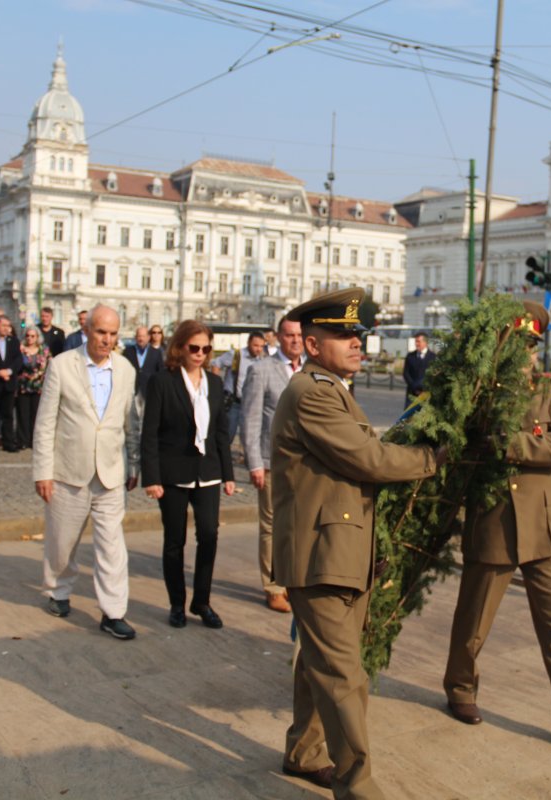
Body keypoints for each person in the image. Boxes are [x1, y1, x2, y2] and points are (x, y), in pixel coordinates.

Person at [271, 288, 441, 796]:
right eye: (343, 335)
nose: (356, 342)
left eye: (358, 334)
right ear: (312, 343)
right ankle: (358, 786)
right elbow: (369, 460)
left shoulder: (332, 387)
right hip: (320, 557)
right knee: (345, 677)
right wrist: (435, 458)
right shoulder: (314, 392)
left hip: (337, 552)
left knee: (320, 664)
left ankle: (304, 752)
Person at [442, 301, 551, 746]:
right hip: (494, 520)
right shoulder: (479, 392)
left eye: (533, 345)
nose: (527, 353)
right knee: (473, 619)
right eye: (519, 344)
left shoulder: (548, 390)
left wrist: (513, 444)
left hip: (545, 526)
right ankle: (460, 688)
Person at [33, 304, 140, 640]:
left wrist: (133, 464)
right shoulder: (63, 365)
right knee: (62, 542)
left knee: (112, 546)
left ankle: (113, 612)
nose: (106, 340)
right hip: (69, 471)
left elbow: (129, 422)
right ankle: (59, 590)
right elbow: (46, 421)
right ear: (87, 331)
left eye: (112, 334)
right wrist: (42, 472)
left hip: (111, 473)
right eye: (100, 333)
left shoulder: (125, 369)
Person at [140, 320, 235, 629]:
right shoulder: (162, 382)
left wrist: (228, 473)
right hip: (173, 473)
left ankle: (202, 601)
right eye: (194, 348)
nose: (199, 354)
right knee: (174, 540)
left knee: (209, 534)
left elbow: (221, 432)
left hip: (208, 472)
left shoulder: (215, 383)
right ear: (179, 347)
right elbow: (149, 433)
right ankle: (177, 603)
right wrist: (151, 477)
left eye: (206, 349)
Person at [240, 318, 305, 613]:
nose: (295, 340)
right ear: (277, 337)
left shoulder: (311, 370)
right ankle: (274, 586)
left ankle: (294, 580)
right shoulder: (261, 370)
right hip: (271, 461)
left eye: (300, 335)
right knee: (272, 526)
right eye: (289, 335)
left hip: (306, 465)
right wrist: (254, 462)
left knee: (299, 525)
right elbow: (251, 419)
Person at [0, 315, 22, 451]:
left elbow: (18, 359)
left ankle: (8, 442)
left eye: (8, 326)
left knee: (8, 414)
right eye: (4, 325)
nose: (6, 328)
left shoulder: (13, 340)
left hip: (9, 382)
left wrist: (9, 371)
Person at [16, 327, 50, 451]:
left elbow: (48, 366)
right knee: (23, 414)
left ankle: (34, 440)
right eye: (28, 336)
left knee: (36, 415)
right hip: (24, 386)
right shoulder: (21, 350)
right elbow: (17, 366)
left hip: (39, 387)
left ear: (37, 337)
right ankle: (22, 440)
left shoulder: (44, 350)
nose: (30, 338)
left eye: (33, 336)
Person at [123, 325, 163, 397]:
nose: (141, 339)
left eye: (143, 336)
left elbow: (160, 372)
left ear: (148, 337)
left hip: (149, 390)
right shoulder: (128, 352)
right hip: (132, 390)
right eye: (139, 336)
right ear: (135, 337)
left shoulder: (156, 353)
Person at [402, 331, 436, 407]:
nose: (416, 344)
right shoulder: (410, 356)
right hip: (412, 393)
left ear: (425, 342)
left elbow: (435, 375)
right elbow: (406, 373)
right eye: (415, 341)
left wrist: (425, 390)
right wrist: (414, 388)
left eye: (418, 341)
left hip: (427, 394)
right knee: (409, 418)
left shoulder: (433, 357)